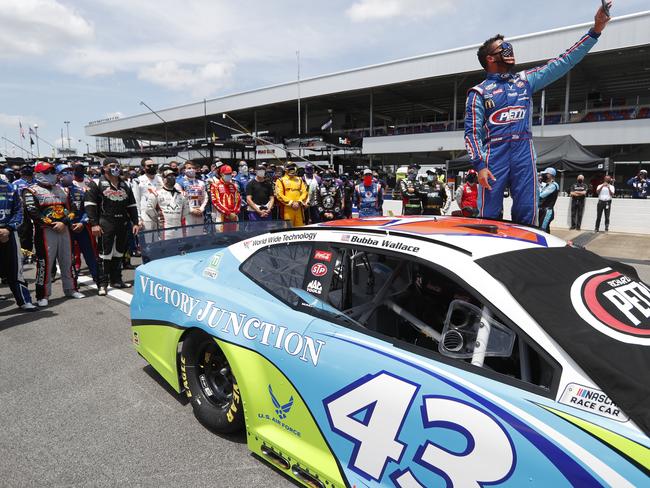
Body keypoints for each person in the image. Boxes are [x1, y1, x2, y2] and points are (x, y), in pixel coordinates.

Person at [464, 4, 611, 225]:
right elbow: (471, 133)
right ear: (490, 59)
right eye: (502, 48)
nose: (508, 50)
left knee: (527, 213)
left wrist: (596, 30)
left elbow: (564, 61)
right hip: (493, 155)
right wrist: (479, 165)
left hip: (524, 151)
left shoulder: (524, 80)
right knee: (488, 217)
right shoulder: (478, 92)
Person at [23, 162, 84, 306]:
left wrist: (63, 222)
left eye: (53, 171)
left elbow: (73, 210)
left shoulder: (64, 190)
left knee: (68, 260)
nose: (52, 174)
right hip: (44, 231)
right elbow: (33, 213)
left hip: (64, 230)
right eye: (47, 172)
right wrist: (52, 224)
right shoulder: (30, 191)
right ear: (38, 174)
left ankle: (71, 288)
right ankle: (42, 295)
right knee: (45, 263)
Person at [85, 158, 140, 296]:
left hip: (122, 223)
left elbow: (132, 205)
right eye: (112, 166)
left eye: (117, 165)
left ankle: (116, 280)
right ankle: (102, 284)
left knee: (119, 253)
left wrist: (135, 222)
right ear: (104, 168)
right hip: (105, 222)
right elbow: (90, 205)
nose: (115, 168)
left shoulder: (125, 184)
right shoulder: (96, 183)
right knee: (105, 254)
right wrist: (94, 224)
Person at [59, 164, 99, 283]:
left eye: (70, 171)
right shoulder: (53, 192)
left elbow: (88, 209)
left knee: (90, 253)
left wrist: (82, 222)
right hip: (64, 228)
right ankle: (72, 282)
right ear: (58, 175)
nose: (68, 174)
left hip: (81, 227)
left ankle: (99, 279)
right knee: (68, 257)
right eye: (64, 172)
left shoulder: (80, 191)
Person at [0, 177, 35, 310]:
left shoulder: (10, 188)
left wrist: (8, 229)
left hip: (8, 233)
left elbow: (19, 212)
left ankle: (24, 300)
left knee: (16, 269)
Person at [146, 167, 189, 239]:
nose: (172, 178)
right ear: (163, 179)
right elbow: (149, 209)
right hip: (164, 227)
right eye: (169, 176)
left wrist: (179, 218)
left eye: (173, 176)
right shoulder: (156, 194)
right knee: (166, 247)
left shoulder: (182, 194)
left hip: (179, 226)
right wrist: (158, 219)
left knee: (179, 247)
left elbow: (186, 209)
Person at [132, 158, 163, 232]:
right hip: (146, 215)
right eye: (149, 166)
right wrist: (138, 218)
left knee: (161, 240)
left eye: (153, 165)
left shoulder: (160, 179)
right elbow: (136, 200)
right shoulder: (138, 181)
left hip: (159, 214)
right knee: (148, 240)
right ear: (143, 168)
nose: (152, 167)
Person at [179, 160, 208, 235]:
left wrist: (201, 208)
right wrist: (191, 210)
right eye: (189, 168)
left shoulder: (201, 182)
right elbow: (180, 199)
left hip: (199, 212)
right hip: (188, 213)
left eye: (193, 168)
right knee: (188, 236)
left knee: (199, 234)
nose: (191, 169)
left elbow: (205, 197)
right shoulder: (180, 182)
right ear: (184, 170)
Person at [13, 165, 35, 264]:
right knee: (24, 234)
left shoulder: (36, 182)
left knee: (37, 233)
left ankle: (35, 254)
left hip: (36, 210)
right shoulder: (15, 183)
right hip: (23, 211)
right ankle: (26, 254)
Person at [275, 162, 308, 227]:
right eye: (289, 167)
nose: (292, 168)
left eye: (293, 167)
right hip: (287, 209)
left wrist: (299, 202)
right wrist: (292, 203)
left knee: (300, 229)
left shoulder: (300, 180)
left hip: (299, 208)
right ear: (285, 169)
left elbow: (305, 192)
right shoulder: (280, 180)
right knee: (288, 229)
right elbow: (279, 195)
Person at [210, 165, 240, 229]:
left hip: (234, 216)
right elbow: (215, 202)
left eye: (230, 173)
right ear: (221, 174)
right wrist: (228, 213)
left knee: (235, 237)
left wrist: (235, 212)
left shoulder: (234, 186)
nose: (229, 175)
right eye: (227, 174)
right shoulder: (215, 185)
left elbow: (238, 200)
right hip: (221, 216)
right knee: (222, 237)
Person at [538, 168, 559, 233]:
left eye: (545, 174)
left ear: (550, 175)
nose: (543, 176)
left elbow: (541, 195)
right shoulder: (547, 185)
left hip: (547, 211)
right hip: (542, 210)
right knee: (544, 230)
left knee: (542, 231)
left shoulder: (553, 185)